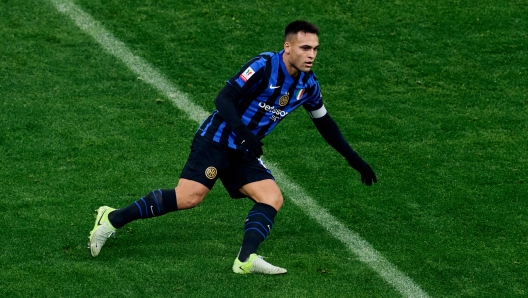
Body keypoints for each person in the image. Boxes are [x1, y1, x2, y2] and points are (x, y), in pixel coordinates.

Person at [88, 20, 377, 275]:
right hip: (217, 140)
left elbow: (325, 123)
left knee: (271, 197)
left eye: (315, 49)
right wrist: (243, 132)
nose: (311, 54)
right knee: (189, 198)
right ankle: (111, 219)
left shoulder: (308, 85)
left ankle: (245, 260)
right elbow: (224, 99)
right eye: (305, 48)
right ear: (287, 47)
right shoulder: (264, 65)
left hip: (244, 150)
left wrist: (354, 159)